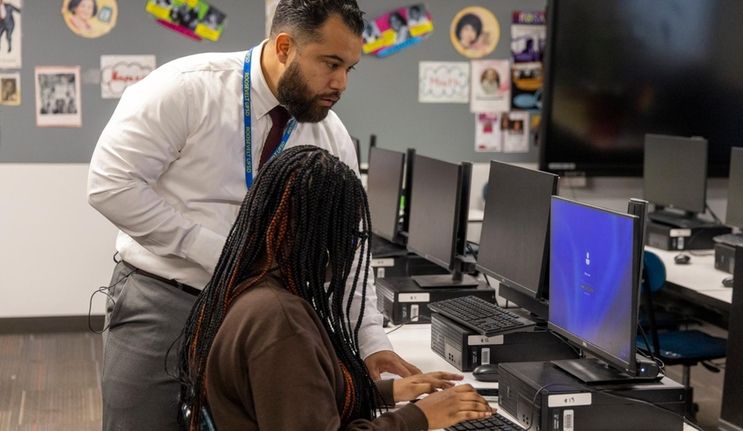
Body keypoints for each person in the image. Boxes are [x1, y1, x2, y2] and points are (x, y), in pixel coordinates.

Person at [87, 0, 420, 429]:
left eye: (349, 69)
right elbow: (109, 185)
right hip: (166, 297)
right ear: (284, 47)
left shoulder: (330, 134)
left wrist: (371, 340)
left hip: (261, 316)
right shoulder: (186, 89)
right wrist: (222, 255)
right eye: (330, 63)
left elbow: (351, 246)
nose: (340, 83)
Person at [179, 146, 494, 430]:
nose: (349, 250)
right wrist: (419, 416)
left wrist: (385, 393)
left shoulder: (249, 287)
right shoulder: (279, 319)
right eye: (346, 236)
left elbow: (297, 395)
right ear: (314, 237)